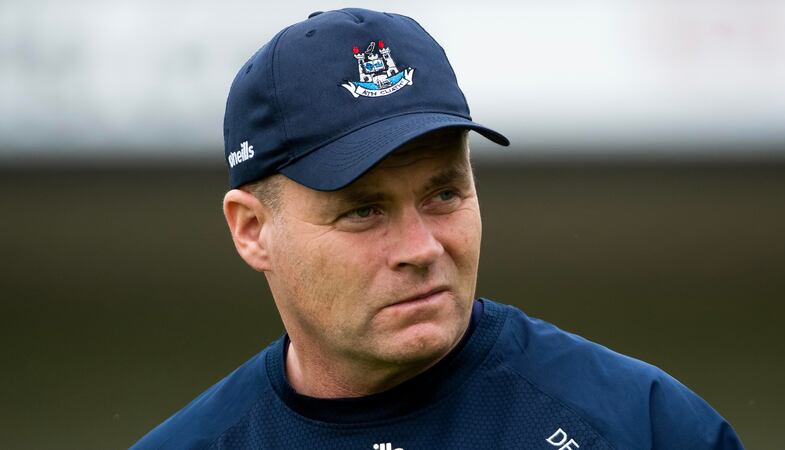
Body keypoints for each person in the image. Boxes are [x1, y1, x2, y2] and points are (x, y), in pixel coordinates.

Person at [133, 8, 743, 450]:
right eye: (364, 210)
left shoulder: (644, 426)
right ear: (252, 230)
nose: (422, 249)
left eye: (445, 193)